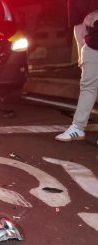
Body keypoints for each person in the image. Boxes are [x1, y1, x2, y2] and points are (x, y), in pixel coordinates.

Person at [55, 2, 98, 143]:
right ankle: (78, 128)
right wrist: (82, 52)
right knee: (87, 87)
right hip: (92, 45)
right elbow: (78, 25)